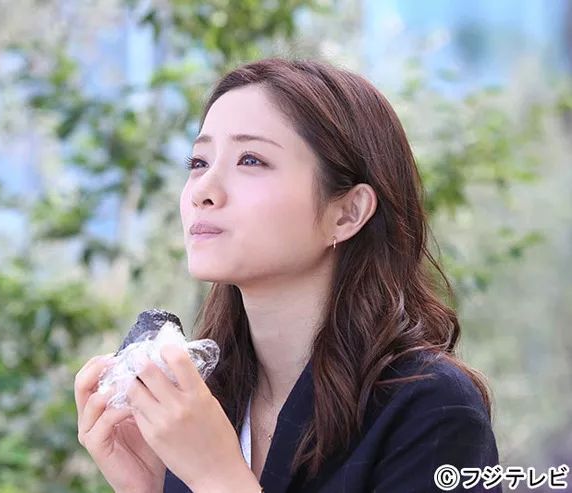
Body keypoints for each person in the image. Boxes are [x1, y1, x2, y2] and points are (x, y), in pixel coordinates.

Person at [74, 57, 501, 493]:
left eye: (251, 160)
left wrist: (216, 478)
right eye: (199, 162)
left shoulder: (431, 408)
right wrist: (151, 488)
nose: (203, 190)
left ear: (347, 212)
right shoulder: (202, 405)